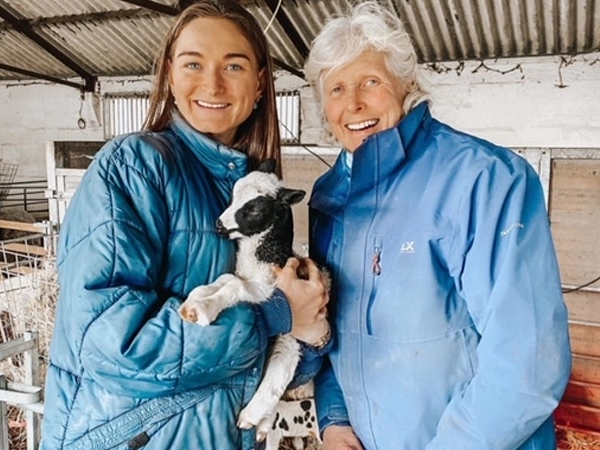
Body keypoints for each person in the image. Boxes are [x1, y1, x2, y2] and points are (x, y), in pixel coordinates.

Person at [40, 1, 331, 449]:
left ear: (258, 86)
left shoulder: (251, 191)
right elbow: (110, 345)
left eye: (233, 65)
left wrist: (307, 335)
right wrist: (272, 315)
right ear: (170, 76)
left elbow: (258, 361)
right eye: (193, 63)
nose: (212, 83)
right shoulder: (133, 168)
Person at [304, 2, 572, 449]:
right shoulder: (332, 198)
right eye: (336, 89)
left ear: (407, 84)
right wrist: (334, 419)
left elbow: (528, 364)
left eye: (371, 81)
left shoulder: (483, 179)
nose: (353, 104)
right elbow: (328, 330)